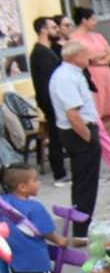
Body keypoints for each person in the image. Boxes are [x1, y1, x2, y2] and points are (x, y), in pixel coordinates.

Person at [1, 166, 75, 273]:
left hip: (17, 259)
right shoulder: (35, 207)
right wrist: (60, 240)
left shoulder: (4, 203)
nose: (39, 183)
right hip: (37, 259)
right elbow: (46, 231)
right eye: (35, 180)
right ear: (22, 187)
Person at [66, 7, 110, 171]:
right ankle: (102, 152)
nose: (95, 22)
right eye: (92, 19)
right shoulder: (74, 38)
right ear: (84, 20)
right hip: (91, 77)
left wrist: (100, 60)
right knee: (95, 116)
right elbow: (76, 57)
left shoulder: (98, 36)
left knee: (107, 116)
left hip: (105, 75)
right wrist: (94, 59)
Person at [48, 40, 100, 237]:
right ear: (75, 56)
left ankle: (84, 222)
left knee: (86, 181)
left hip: (81, 130)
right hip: (78, 132)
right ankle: (81, 228)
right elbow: (73, 114)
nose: (89, 56)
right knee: (84, 182)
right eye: (86, 53)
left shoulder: (72, 74)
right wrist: (89, 138)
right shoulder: (65, 77)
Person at [27, 16, 67, 184]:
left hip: (54, 101)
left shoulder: (48, 50)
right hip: (51, 102)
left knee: (59, 137)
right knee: (56, 138)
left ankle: (61, 172)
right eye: (52, 27)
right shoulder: (40, 54)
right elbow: (46, 83)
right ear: (43, 30)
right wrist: (54, 105)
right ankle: (59, 175)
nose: (56, 29)